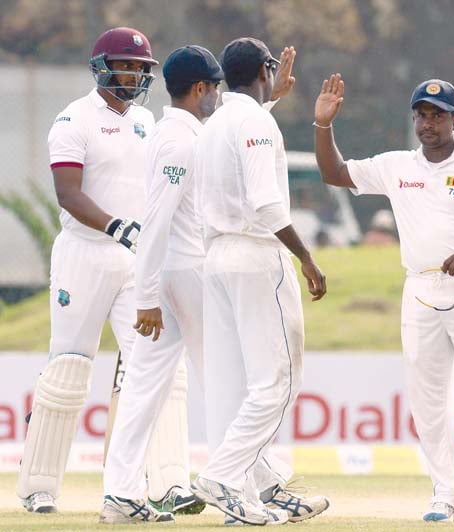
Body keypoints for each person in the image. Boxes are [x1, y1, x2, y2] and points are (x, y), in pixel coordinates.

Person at [314, 75, 454, 522]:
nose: (428, 122)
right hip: (419, 288)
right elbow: (333, 173)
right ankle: (446, 494)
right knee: (428, 397)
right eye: (421, 114)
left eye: (437, 115)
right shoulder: (399, 165)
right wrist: (323, 126)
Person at [15, 27, 178, 519]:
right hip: (83, 255)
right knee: (68, 370)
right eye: (126, 66)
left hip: (135, 261)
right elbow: (68, 193)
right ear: (102, 67)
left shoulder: (149, 121)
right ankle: (38, 487)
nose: (133, 74)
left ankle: (160, 483)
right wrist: (115, 225)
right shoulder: (73, 119)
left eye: (140, 68)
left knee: (151, 367)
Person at [191, 37, 327, 526]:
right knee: (277, 382)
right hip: (256, 254)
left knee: (234, 386)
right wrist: (306, 257)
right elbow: (266, 205)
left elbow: (246, 121)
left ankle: (256, 491)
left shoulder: (213, 122)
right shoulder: (257, 122)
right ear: (265, 71)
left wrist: (271, 95)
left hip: (218, 257)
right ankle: (225, 476)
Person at [98, 44, 223, 524]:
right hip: (183, 272)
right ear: (200, 89)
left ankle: (121, 496)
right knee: (224, 378)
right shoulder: (179, 141)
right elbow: (157, 221)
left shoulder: (177, 131)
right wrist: (146, 295)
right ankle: (242, 486)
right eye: (215, 88)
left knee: (145, 389)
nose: (217, 97)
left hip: (171, 274)